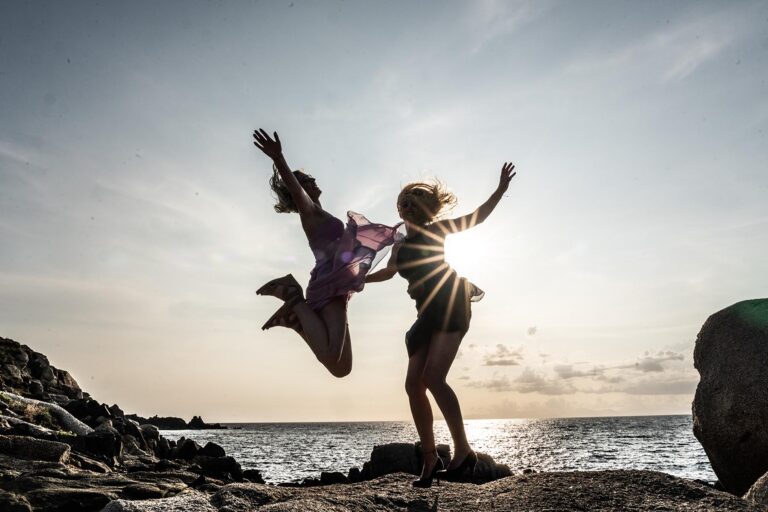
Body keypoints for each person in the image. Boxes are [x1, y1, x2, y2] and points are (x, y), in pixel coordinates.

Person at [365, 163, 516, 487]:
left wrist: (500, 191)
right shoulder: (399, 244)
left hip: (449, 302)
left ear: (428, 207)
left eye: (415, 198)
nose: (407, 202)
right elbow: (389, 271)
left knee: (433, 377)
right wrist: (357, 281)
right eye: (404, 199)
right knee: (413, 385)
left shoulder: (438, 230)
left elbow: (477, 217)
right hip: (424, 312)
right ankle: (431, 457)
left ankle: (463, 451)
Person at [253, 129, 401, 378]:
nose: (313, 182)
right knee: (333, 357)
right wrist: (279, 159)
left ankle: (298, 319)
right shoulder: (309, 212)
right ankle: (294, 298)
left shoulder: (322, 213)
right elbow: (296, 190)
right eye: (308, 181)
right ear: (300, 190)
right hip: (327, 287)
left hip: (339, 288)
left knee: (342, 368)